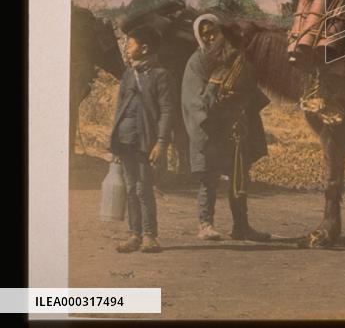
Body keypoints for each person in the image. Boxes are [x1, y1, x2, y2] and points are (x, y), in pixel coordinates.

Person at [181, 14, 271, 241]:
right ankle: (205, 224)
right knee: (209, 179)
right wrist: (217, 103)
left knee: (238, 177)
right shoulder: (197, 62)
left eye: (213, 31)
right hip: (212, 129)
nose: (210, 37)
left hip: (236, 128)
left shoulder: (234, 57)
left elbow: (248, 88)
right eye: (205, 35)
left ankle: (241, 226)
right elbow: (195, 100)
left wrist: (241, 102)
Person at [109, 25, 175, 254]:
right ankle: (133, 234)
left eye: (132, 43)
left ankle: (149, 235)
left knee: (143, 188)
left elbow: (167, 110)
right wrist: (115, 142)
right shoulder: (128, 75)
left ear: (145, 48)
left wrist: (161, 142)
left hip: (145, 141)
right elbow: (119, 108)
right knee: (129, 188)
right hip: (125, 139)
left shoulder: (160, 76)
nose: (127, 46)